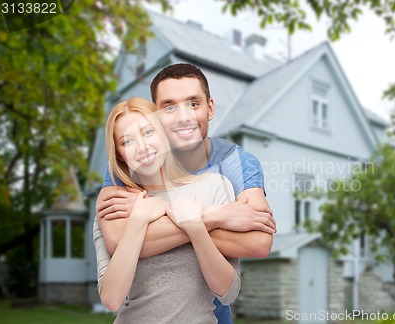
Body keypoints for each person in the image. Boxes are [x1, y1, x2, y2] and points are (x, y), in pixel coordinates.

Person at [94, 63, 276, 323]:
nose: (182, 117)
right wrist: (213, 216)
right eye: (169, 107)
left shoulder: (234, 165)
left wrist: (167, 224)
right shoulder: (126, 168)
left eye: (193, 104)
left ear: (209, 108)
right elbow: (115, 241)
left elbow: (257, 242)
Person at [99, 97, 241, 323]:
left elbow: (228, 293)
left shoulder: (213, 186)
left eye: (148, 132)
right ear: (119, 154)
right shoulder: (117, 204)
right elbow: (111, 299)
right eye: (127, 142)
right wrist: (138, 219)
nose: (143, 147)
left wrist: (196, 227)